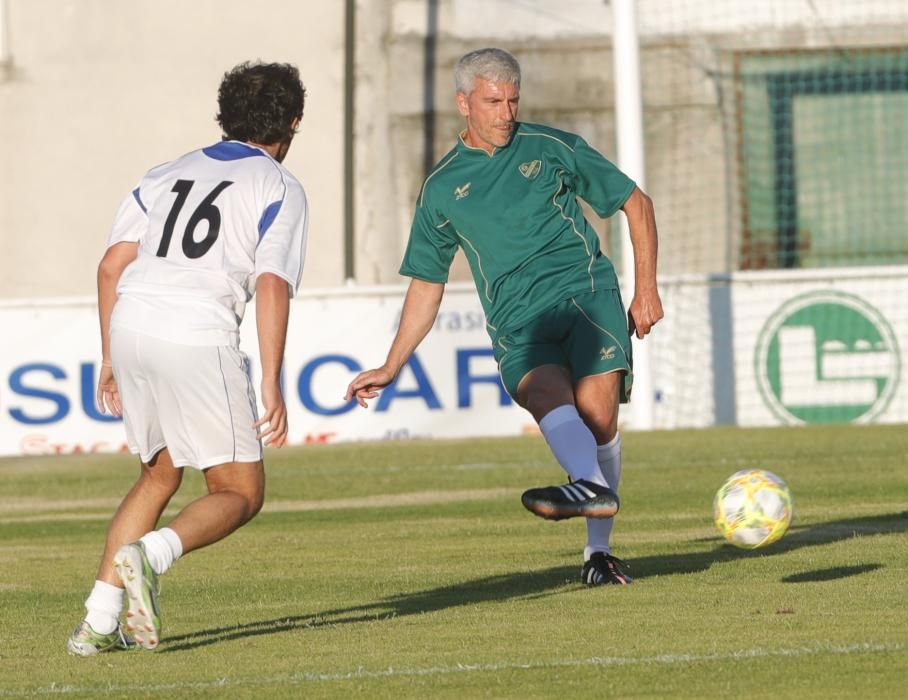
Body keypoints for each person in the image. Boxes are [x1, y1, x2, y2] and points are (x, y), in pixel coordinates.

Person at [345, 48, 662, 586]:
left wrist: (646, 288)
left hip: (584, 294)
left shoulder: (551, 147)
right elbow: (427, 283)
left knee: (597, 411)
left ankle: (598, 553)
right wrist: (393, 363)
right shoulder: (443, 188)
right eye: (494, 102)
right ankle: (588, 485)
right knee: (544, 395)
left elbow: (636, 202)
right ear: (463, 103)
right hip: (517, 321)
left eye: (513, 101)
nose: (506, 114)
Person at [67, 61, 309, 656]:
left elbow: (109, 266)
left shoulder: (165, 172)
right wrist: (272, 383)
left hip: (132, 325)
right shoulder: (278, 185)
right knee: (239, 492)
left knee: (158, 474)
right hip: (195, 334)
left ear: (222, 116)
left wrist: (107, 357)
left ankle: (98, 624)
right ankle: (149, 555)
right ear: (294, 123)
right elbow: (272, 282)